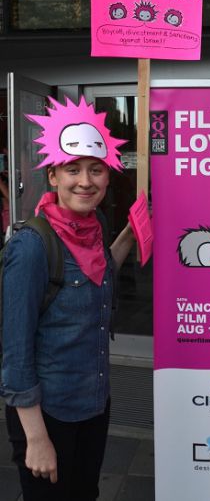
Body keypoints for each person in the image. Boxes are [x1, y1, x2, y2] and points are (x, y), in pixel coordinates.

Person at [0, 97, 136, 501]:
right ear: (53, 176)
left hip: (93, 402)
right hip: (48, 414)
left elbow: (99, 271)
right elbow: (15, 353)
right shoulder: (31, 246)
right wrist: (36, 439)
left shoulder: (96, 228)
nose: (85, 181)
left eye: (95, 170)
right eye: (72, 169)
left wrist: (131, 231)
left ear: (108, 176)